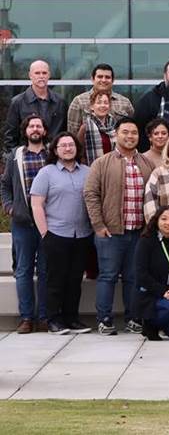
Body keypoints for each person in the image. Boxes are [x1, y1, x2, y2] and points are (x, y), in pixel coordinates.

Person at [84, 117, 157, 335]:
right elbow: (90, 194)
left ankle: (133, 318)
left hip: (139, 232)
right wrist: (98, 224)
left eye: (134, 132)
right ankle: (104, 319)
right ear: (116, 135)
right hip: (110, 232)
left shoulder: (146, 163)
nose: (130, 136)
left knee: (133, 277)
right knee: (107, 275)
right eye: (125, 132)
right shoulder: (102, 162)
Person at [29, 132, 92, 335]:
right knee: (56, 279)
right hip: (56, 234)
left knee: (75, 280)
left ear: (77, 148)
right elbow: (37, 204)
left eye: (71, 145)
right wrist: (45, 233)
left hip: (82, 235)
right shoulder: (46, 173)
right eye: (63, 145)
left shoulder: (87, 172)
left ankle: (71, 318)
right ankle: (53, 320)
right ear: (55, 150)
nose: (67, 148)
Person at [2, 115, 50, 333]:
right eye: (31, 126)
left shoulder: (52, 155)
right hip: (22, 223)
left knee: (46, 270)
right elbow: (4, 186)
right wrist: (10, 207)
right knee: (23, 270)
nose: (35, 129)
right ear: (26, 130)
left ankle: (44, 317)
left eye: (39, 125)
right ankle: (26, 318)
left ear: (44, 131)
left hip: (49, 223)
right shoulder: (16, 155)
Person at [134, 206, 169, 340]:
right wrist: (163, 292)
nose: (168, 223)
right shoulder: (146, 241)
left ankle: (161, 324)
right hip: (151, 295)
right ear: (156, 221)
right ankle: (150, 325)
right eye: (164, 219)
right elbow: (141, 274)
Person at [4, 60, 67, 152]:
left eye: (44, 73)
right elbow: (10, 137)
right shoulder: (17, 102)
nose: (41, 76)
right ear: (30, 75)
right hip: (27, 157)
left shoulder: (60, 102)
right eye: (37, 73)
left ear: (49, 75)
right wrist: (14, 160)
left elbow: (65, 131)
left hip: (54, 157)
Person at [66, 63, 134, 139]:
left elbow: (132, 129)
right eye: (100, 77)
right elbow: (72, 134)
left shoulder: (125, 102)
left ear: (113, 80)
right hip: (89, 149)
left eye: (107, 77)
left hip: (117, 149)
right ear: (92, 79)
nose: (103, 80)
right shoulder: (79, 101)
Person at [77, 91, 116, 165]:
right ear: (92, 106)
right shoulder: (85, 127)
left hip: (112, 169)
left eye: (106, 103)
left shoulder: (115, 126)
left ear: (109, 106)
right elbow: (79, 153)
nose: (103, 105)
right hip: (92, 170)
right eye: (99, 102)